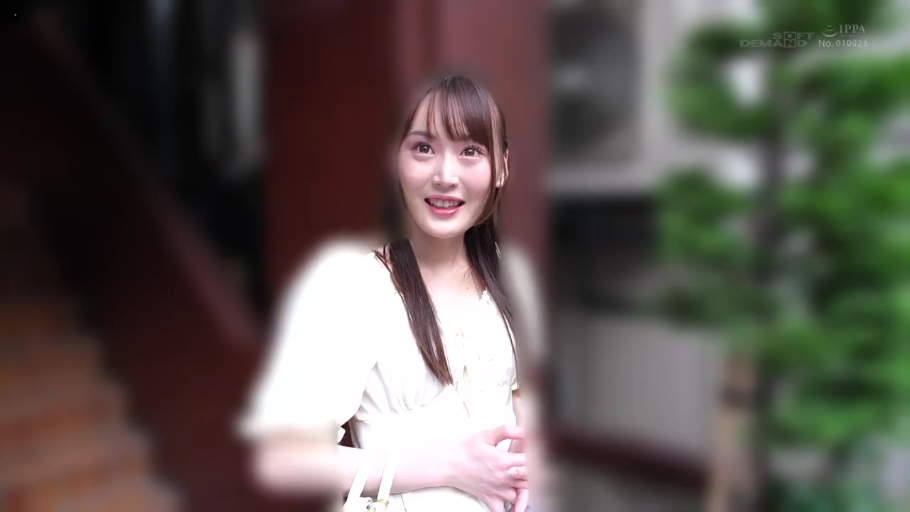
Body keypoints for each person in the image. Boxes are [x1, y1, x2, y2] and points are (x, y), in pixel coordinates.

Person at [237, 75, 547, 512]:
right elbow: (282, 459)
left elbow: (521, 410)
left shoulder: (510, 277)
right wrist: (450, 467)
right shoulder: (354, 285)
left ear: (502, 167)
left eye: (470, 151)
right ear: (395, 161)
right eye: (423, 148)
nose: (445, 176)